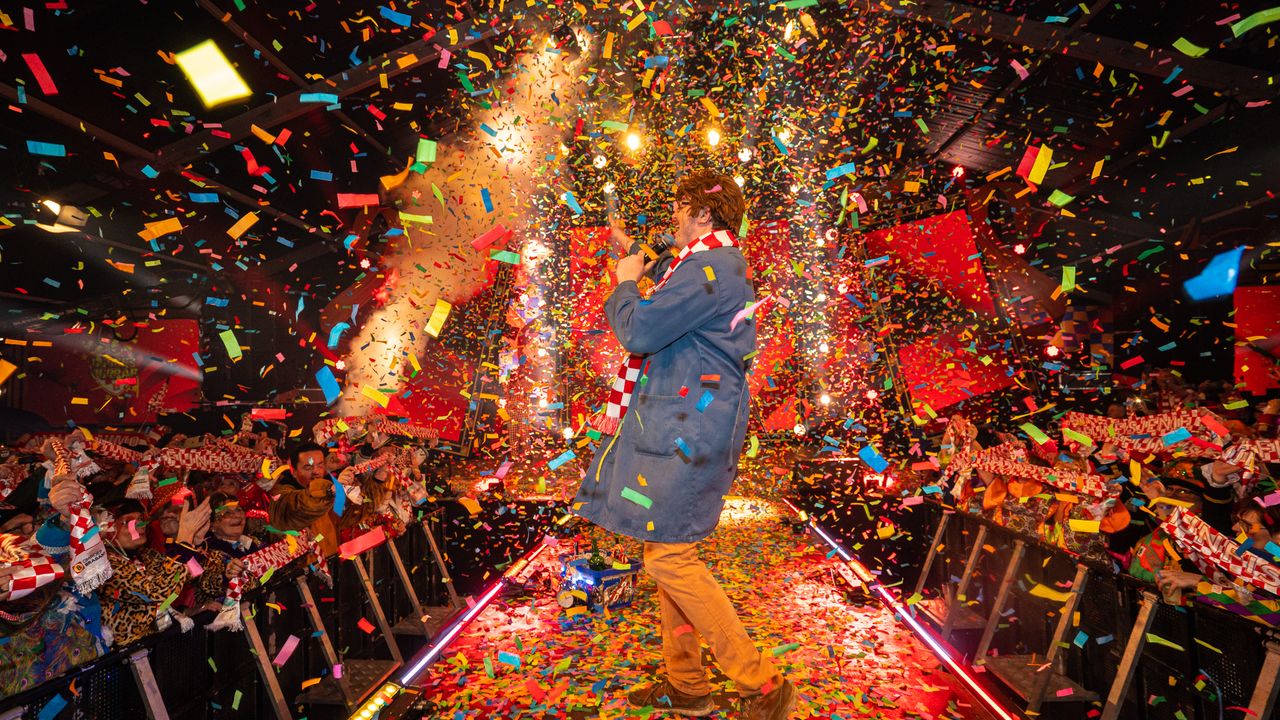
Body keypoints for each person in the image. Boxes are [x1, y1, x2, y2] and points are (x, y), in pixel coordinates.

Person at [572, 170, 796, 719]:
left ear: (703, 214)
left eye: (679, 207)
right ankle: (688, 683)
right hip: (678, 429)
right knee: (664, 548)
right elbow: (673, 298)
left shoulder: (712, 267)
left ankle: (761, 683)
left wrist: (625, 282)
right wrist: (636, 252)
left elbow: (641, 332)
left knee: (670, 555)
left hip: (688, 433)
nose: (671, 214)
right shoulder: (707, 264)